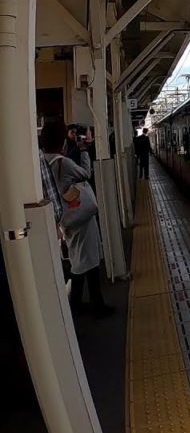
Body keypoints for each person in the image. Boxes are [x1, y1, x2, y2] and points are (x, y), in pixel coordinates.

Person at [40, 122, 113, 318]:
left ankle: (83, 302)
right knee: (88, 259)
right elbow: (85, 174)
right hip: (79, 216)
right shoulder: (63, 162)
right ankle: (88, 305)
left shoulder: (41, 161)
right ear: (62, 141)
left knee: (80, 259)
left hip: (64, 218)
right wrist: (83, 151)